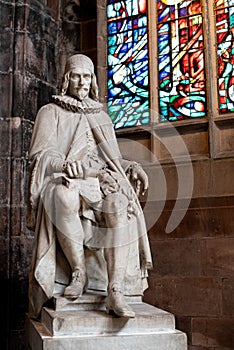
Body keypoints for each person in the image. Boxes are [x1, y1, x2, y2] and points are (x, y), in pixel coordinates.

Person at [27, 54, 152, 319]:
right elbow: (40, 156)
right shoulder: (51, 112)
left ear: (93, 80)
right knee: (62, 196)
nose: (81, 81)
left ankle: (115, 290)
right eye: (76, 76)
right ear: (66, 79)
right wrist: (63, 165)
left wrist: (131, 167)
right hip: (67, 180)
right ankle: (78, 272)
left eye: (86, 76)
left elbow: (113, 159)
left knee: (119, 203)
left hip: (100, 180)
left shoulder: (101, 116)